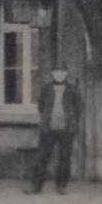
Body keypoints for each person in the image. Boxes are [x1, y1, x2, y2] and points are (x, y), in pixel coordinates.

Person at [25, 63, 82, 194]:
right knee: (42, 157)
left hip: (66, 129)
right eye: (57, 72)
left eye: (62, 72)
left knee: (65, 158)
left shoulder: (72, 89)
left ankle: (61, 186)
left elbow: (79, 107)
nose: (59, 75)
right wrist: (46, 119)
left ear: (66, 74)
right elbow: (41, 106)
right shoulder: (47, 89)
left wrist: (72, 123)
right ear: (53, 74)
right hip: (48, 129)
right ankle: (36, 186)